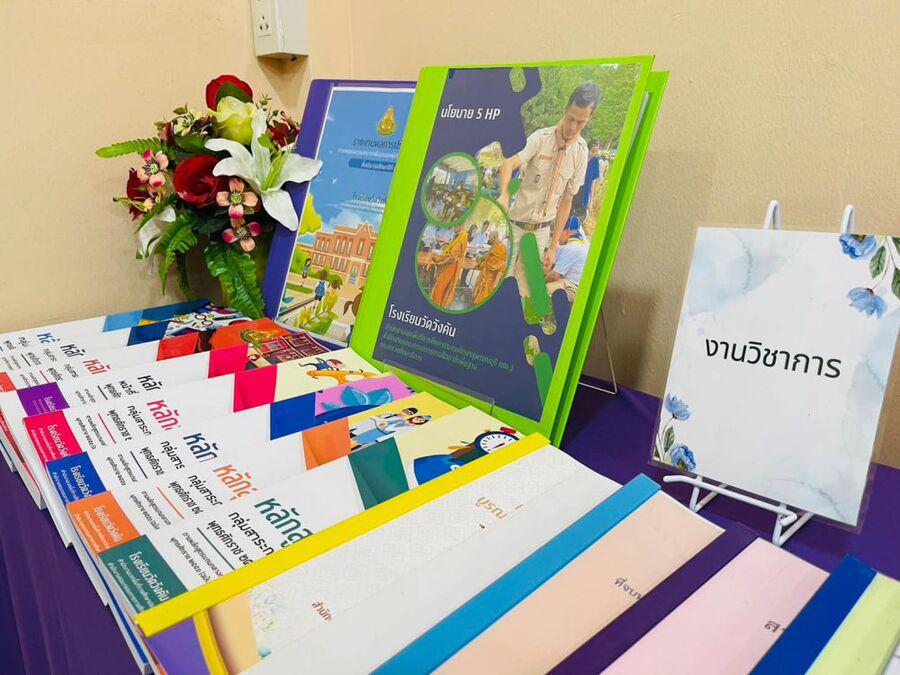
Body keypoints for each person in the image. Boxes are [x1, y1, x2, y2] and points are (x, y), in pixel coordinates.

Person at [496, 82, 599, 301]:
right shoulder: (541, 138)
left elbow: (567, 200)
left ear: (589, 119)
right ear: (566, 110)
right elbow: (509, 162)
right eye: (570, 118)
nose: (572, 127)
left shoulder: (580, 152)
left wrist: (553, 246)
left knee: (525, 294)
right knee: (499, 283)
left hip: (541, 234)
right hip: (515, 226)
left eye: (580, 122)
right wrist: (504, 194)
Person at [544, 212, 588, 303]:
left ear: (567, 232)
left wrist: (538, 282)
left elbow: (554, 277)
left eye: (558, 232)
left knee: (541, 289)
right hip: (570, 283)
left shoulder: (572, 248)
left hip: (574, 288)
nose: (556, 236)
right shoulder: (579, 243)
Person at [429, 222, 468, 307]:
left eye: (455, 225)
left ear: (460, 225)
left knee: (440, 286)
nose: (454, 227)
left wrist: (441, 263)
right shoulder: (462, 236)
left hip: (451, 266)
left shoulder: (461, 237)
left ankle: (436, 304)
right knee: (444, 286)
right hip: (453, 265)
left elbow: (452, 258)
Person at [472, 231, 508, 304]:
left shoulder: (501, 248)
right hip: (484, 274)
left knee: (484, 299)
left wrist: (496, 282)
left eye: (490, 238)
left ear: (495, 238)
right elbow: (487, 258)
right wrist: (479, 261)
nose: (489, 240)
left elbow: (501, 266)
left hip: (491, 278)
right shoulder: (494, 246)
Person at [579, 139, 602, 211]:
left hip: (585, 195)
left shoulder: (595, 161)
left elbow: (593, 182)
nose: (594, 154)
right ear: (588, 149)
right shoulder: (581, 158)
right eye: (592, 152)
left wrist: (591, 201)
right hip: (575, 190)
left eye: (596, 152)